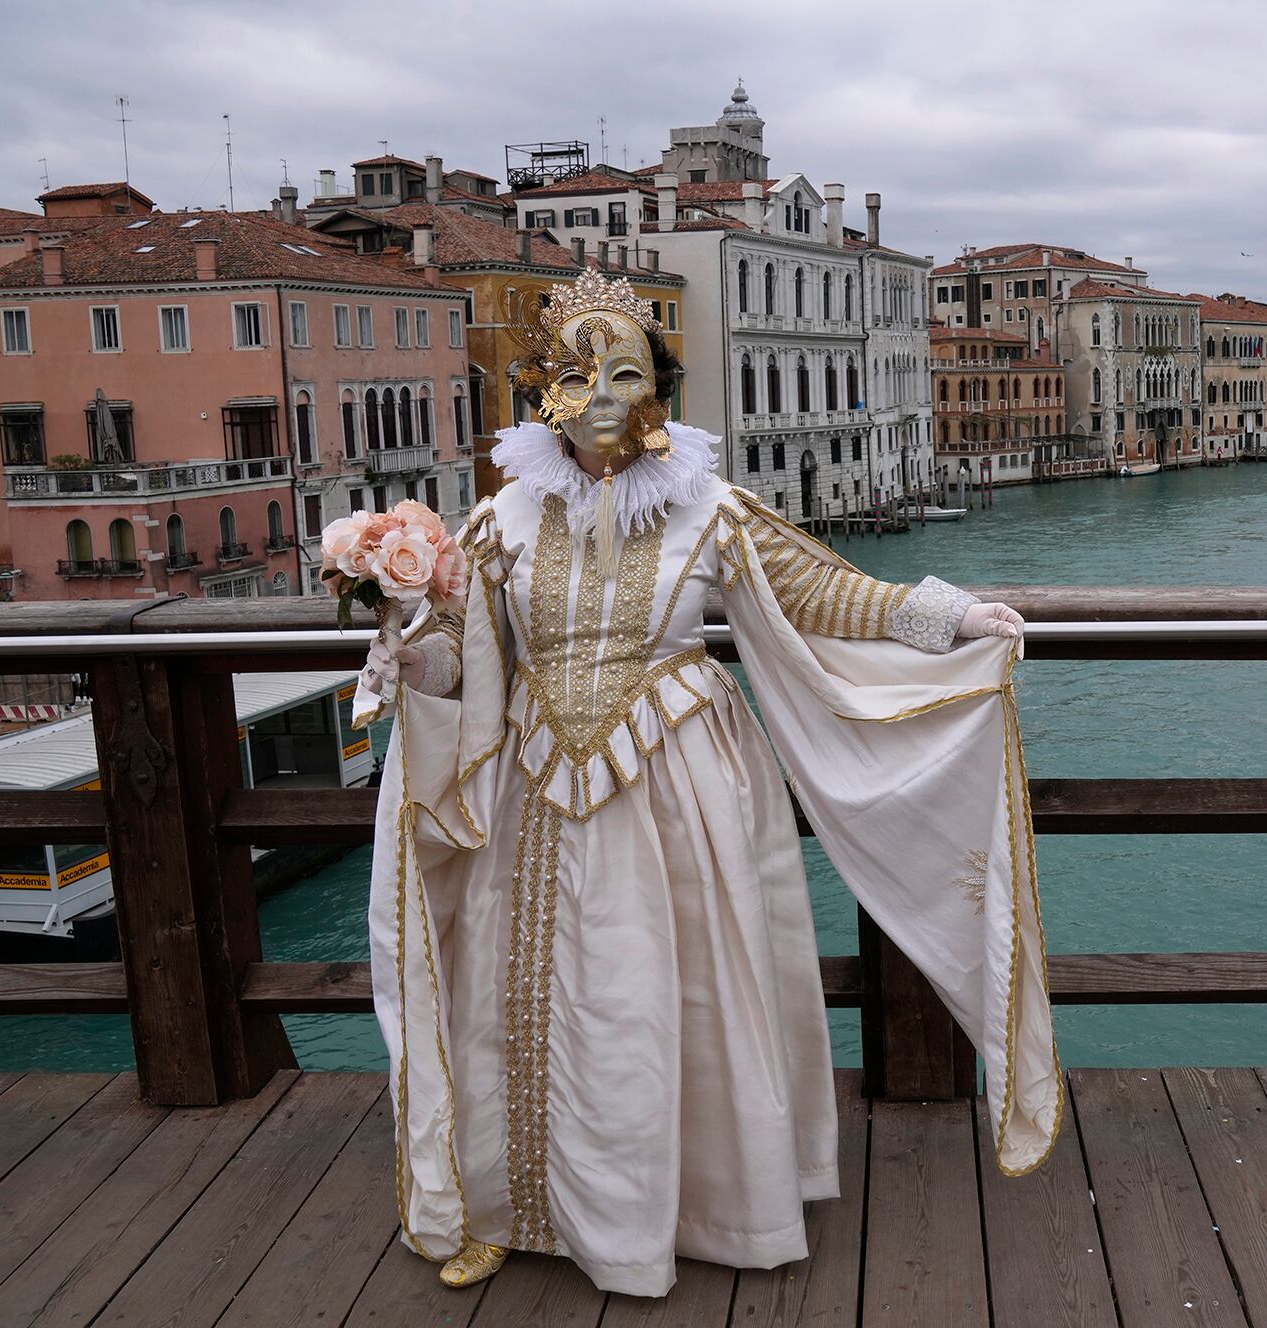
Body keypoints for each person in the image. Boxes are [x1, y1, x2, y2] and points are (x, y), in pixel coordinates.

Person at [357, 271, 1057, 1295]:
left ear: (657, 390)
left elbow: (824, 588)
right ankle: (504, 1201)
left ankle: (694, 1204)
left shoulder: (712, 510)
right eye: (573, 375)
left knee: (661, 990)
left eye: (622, 373)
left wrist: (950, 619)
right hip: (531, 783)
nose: (597, 396)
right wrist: (407, 658)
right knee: (518, 990)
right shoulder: (500, 520)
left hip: (677, 777)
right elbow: (466, 654)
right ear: (542, 392)